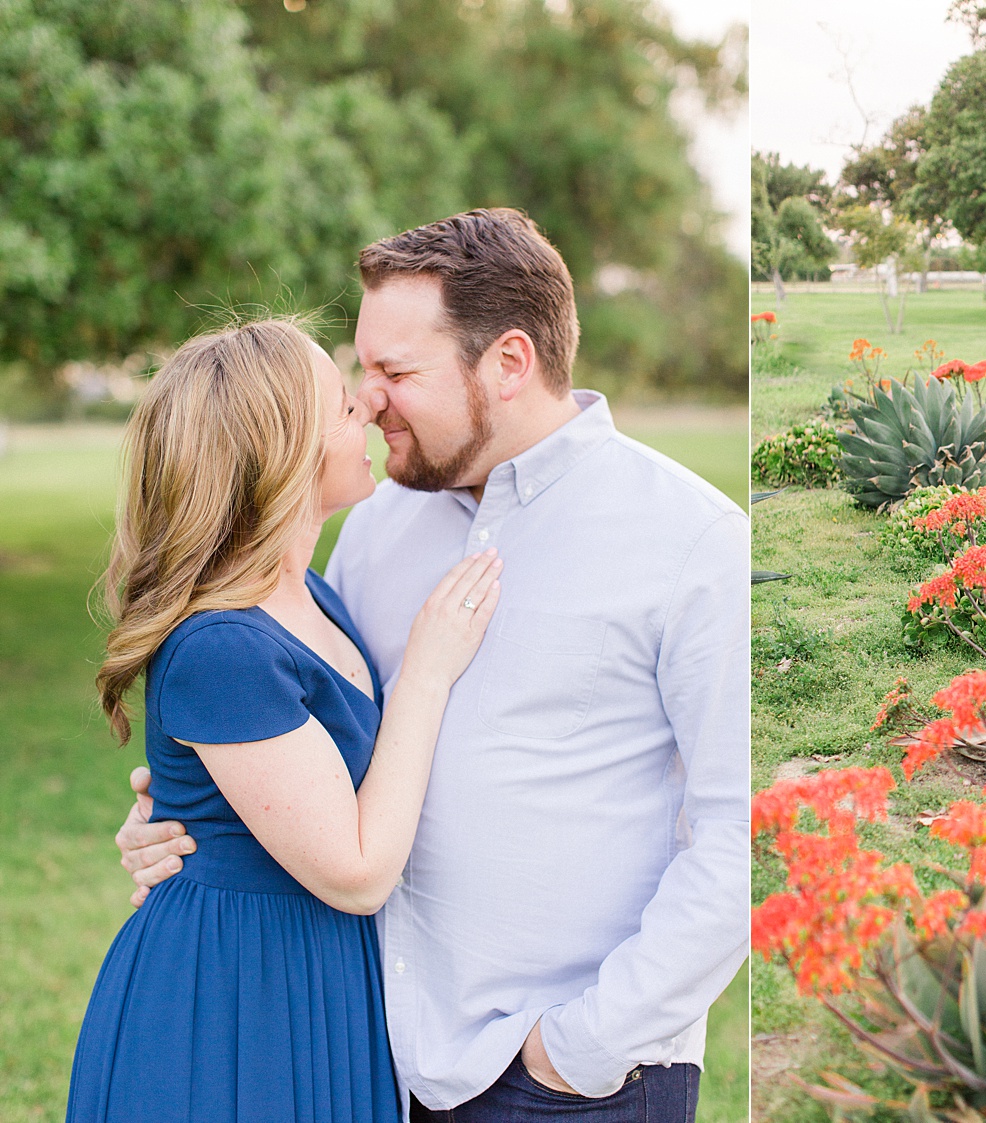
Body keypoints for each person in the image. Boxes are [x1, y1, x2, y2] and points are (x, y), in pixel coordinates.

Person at [113, 209, 750, 1121]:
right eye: (361, 371)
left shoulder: (690, 539)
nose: (368, 400)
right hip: (367, 1053)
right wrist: (183, 818)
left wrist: (582, 1047)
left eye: (395, 372)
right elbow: (284, 716)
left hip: (569, 1080)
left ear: (510, 363)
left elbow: (737, 835)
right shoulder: (373, 525)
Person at [71, 318, 503, 1122]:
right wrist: (427, 669)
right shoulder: (222, 643)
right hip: (234, 999)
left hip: (317, 976)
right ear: (282, 453)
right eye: (343, 406)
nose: (370, 410)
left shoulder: (314, 595)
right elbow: (359, 870)